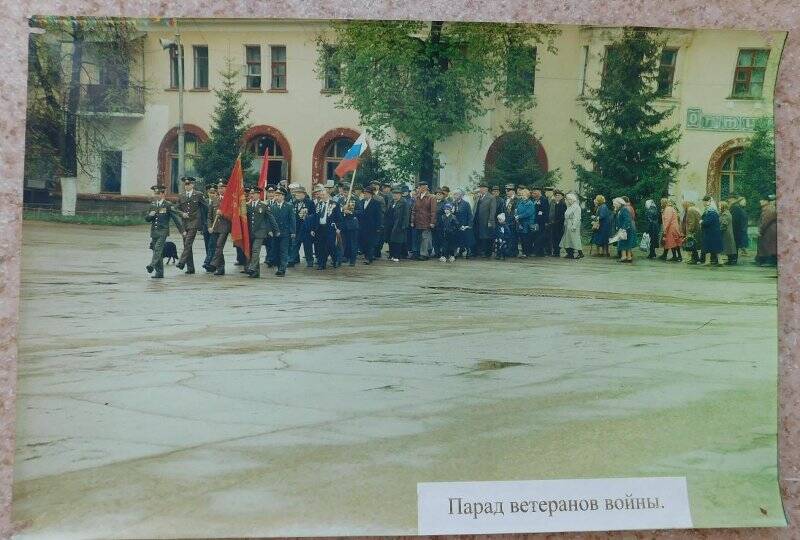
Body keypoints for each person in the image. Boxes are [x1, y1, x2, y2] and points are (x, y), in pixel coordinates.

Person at [145, 185, 184, 279]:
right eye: (155, 193)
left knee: (158, 248)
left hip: (163, 231)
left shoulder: (168, 204)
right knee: (157, 251)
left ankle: (152, 265)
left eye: (158, 193)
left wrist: (182, 231)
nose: (156, 195)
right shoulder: (153, 205)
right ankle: (159, 273)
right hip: (154, 232)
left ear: (163, 194)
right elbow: (147, 219)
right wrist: (150, 215)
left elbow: (176, 218)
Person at [175, 176, 208, 274]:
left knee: (188, 242)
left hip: (194, 222)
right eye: (185, 184)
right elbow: (175, 208)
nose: (187, 186)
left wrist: (205, 221)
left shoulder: (198, 195)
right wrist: (181, 214)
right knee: (186, 244)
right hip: (184, 223)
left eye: (189, 184)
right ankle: (190, 268)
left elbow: (206, 207)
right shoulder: (181, 196)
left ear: (193, 185)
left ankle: (181, 262)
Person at [244, 188, 279, 278]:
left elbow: (271, 218)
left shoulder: (263, 205)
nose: (252, 195)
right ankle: (256, 272)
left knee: (256, 250)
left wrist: (276, 230)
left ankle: (251, 267)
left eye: (254, 193)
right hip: (250, 232)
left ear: (259, 195)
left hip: (260, 232)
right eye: (251, 193)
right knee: (251, 251)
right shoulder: (247, 205)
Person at [312, 186, 342, 270]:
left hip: (330, 228)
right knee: (321, 246)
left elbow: (339, 218)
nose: (322, 196)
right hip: (320, 228)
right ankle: (322, 264)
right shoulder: (318, 204)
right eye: (321, 195)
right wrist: (313, 229)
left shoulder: (334, 204)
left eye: (324, 195)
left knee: (330, 245)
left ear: (328, 195)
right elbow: (315, 218)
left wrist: (338, 228)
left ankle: (335, 260)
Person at [270, 188, 296, 276]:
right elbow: (269, 220)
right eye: (276, 195)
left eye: (279, 195)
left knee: (283, 250)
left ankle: (282, 269)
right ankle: (278, 267)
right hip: (275, 232)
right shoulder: (272, 207)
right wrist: (270, 230)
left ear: (283, 196)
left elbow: (292, 219)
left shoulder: (289, 206)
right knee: (276, 250)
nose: (277, 197)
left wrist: (293, 231)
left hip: (285, 232)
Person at [207, 181, 230, 276]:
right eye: (219, 188)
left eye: (222, 188)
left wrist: (223, 214)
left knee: (219, 245)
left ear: (226, 188)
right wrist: (209, 226)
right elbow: (209, 216)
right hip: (215, 227)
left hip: (225, 227)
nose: (220, 190)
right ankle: (221, 268)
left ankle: (213, 264)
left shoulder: (230, 200)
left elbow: (232, 216)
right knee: (216, 247)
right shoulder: (214, 200)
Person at [410, 181, 437, 260]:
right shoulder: (416, 197)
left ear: (426, 187)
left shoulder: (431, 197)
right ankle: (417, 253)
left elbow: (433, 211)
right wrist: (412, 221)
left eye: (422, 187)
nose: (420, 188)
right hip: (417, 220)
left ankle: (424, 254)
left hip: (426, 220)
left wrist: (432, 222)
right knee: (417, 238)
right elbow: (413, 210)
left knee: (425, 237)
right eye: (419, 187)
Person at [290, 185, 316, 268]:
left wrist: (311, 227)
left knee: (307, 245)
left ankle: (310, 261)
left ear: (303, 194)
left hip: (306, 228)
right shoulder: (294, 203)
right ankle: (292, 260)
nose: (296, 195)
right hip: (297, 228)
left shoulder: (310, 202)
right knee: (295, 244)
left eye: (298, 193)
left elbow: (314, 215)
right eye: (295, 194)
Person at [385, 185, 411, 262]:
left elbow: (406, 215)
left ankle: (397, 255)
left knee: (398, 241)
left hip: (399, 224)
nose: (394, 195)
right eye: (393, 194)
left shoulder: (404, 203)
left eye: (396, 194)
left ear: (400, 195)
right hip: (390, 224)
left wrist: (404, 226)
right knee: (390, 240)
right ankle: (391, 255)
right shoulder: (392, 202)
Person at [473, 182, 497, 258]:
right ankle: (478, 251)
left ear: (486, 189)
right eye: (480, 187)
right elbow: (475, 208)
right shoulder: (478, 197)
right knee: (478, 236)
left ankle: (487, 252)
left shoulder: (491, 197)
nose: (481, 189)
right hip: (477, 220)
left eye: (482, 188)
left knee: (486, 236)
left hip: (486, 220)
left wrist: (490, 221)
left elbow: (492, 210)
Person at [698, 195, 723, 266]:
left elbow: (708, 222)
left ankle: (708, 261)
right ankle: (720, 261)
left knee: (708, 247)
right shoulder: (713, 210)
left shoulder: (710, 211)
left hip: (710, 232)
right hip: (713, 232)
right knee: (715, 247)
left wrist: (701, 222)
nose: (703, 203)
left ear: (707, 202)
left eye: (704, 201)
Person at [451, 189, 474, 258]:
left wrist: (469, 225)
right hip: (455, 225)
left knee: (465, 238)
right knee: (456, 239)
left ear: (461, 195)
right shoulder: (452, 203)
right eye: (454, 194)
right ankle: (456, 252)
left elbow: (470, 215)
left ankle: (468, 251)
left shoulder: (466, 204)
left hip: (464, 224)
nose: (455, 196)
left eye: (456, 194)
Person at [560, 192, 583, 259]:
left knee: (575, 239)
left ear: (572, 199)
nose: (567, 201)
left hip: (573, 224)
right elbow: (566, 216)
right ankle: (570, 253)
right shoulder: (570, 206)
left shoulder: (576, 207)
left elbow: (577, 217)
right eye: (567, 199)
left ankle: (580, 253)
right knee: (567, 239)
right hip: (568, 224)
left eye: (568, 199)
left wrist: (574, 226)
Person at [613, 197, 636, 263]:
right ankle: (629, 257)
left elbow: (627, 219)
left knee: (622, 242)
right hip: (627, 228)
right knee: (627, 242)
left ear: (619, 204)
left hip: (625, 229)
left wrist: (623, 228)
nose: (614, 205)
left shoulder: (623, 210)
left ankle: (624, 257)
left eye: (615, 204)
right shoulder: (622, 209)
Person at [202, 184, 220, 271]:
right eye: (210, 192)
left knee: (212, 245)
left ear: (216, 193)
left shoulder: (219, 201)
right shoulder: (204, 201)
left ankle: (210, 263)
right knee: (207, 245)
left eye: (213, 193)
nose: (211, 194)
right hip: (206, 228)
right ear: (207, 193)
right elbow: (202, 215)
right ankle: (209, 264)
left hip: (215, 228)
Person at [756, 196, 777, 266]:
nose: (760, 201)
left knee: (768, 246)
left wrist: (760, 230)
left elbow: (765, 221)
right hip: (769, 230)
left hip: (769, 231)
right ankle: (765, 260)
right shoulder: (769, 208)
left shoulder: (769, 209)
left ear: (766, 201)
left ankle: (769, 262)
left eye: (762, 200)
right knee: (769, 246)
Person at [514, 187, 535, 257]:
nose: (523, 196)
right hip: (520, 223)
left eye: (524, 194)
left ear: (528, 195)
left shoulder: (530, 203)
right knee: (522, 238)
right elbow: (516, 209)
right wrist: (516, 215)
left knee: (526, 238)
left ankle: (527, 252)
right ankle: (523, 252)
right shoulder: (520, 202)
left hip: (527, 223)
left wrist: (519, 216)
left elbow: (528, 213)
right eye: (522, 194)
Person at [531, 188, 550, 256]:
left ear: (539, 192)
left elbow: (546, 210)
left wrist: (546, 221)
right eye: (533, 193)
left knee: (540, 236)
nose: (533, 195)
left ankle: (537, 251)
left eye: (535, 193)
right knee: (535, 235)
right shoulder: (533, 200)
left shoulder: (543, 199)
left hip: (542, 221)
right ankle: (540, 251)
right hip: (535, 220)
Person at [341, 199, 360, 266]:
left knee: (353, 244)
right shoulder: (341, 200)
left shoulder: (355, 200)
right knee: (344, 243)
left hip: (352, 226)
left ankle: (352, 260)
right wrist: (342, 210)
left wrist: (350, 212)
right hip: (343, 226)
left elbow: (360, 212)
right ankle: (345, 257)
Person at [502, 184, 519, 257]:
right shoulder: (505, 199)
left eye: (508, 190)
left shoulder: (516, 199)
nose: (507, 192)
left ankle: (513, 251)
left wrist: (511, 219)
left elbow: (515, 211)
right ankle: (509, 250)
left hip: (513, 221)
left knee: (513, 237)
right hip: (506, 221)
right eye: (506, 190)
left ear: (513, 191)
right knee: (508, 237)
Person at [719, 201, 738, 265]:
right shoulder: (725, 213)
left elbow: (724, 223)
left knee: (728, 247)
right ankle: (730, 260)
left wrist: (719, 229)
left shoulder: (725, 214)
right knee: (728, 247)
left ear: (723, 206)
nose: (719, 207)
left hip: (726, 233)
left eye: (720, 206)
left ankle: (731, 260)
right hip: (727, 232)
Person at [549, 190, 566, 257]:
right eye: (556, 196)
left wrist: (557, 221)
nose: (557, 197)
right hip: (554, 223)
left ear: (562, 196)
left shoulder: (563, 204)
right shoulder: (556, 203)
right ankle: (555, 251)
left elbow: (562, 215)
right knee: (554, 237)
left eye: (559, 195)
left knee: (558, 237)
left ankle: (557, 251)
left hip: (559, 224)